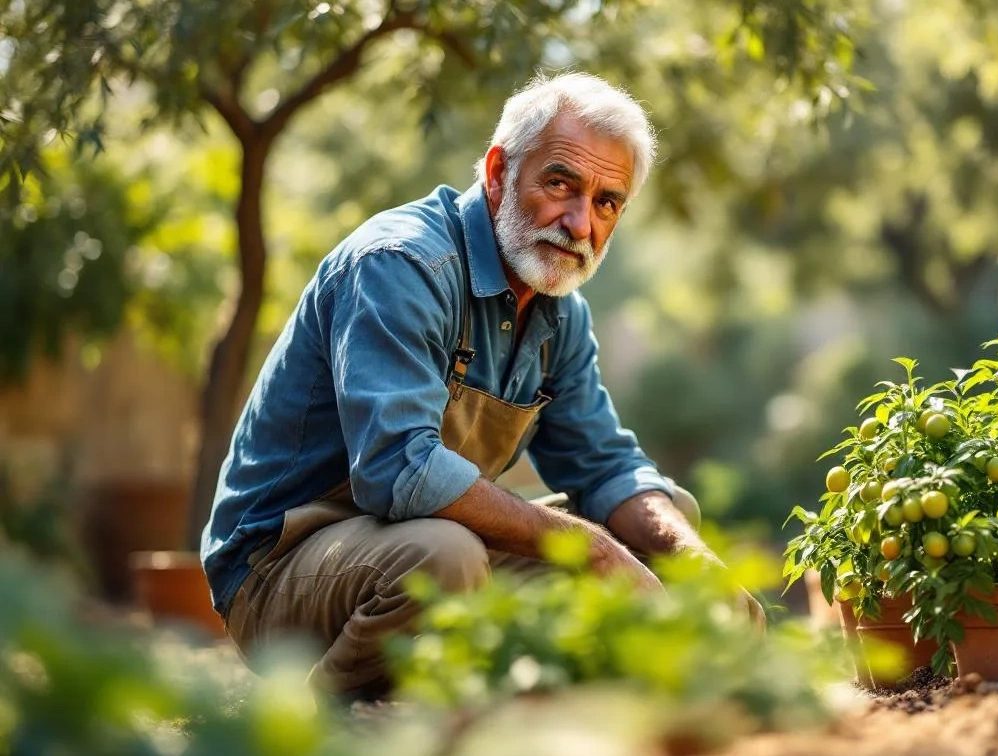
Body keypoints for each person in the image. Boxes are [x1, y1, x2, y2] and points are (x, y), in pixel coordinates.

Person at [200, 72, 763, 699]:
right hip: (281, 567)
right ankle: (325, 718)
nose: (581, 224)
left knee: (662, 523)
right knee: (445, 558)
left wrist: (700, 565)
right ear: (498, 171)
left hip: (425, 543)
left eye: (607, 202)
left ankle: (555, 708)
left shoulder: (558, 311)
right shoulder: (402, 264)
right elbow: (397, 469)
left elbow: (606, 467)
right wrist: (597, 554)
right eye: (561, 183)